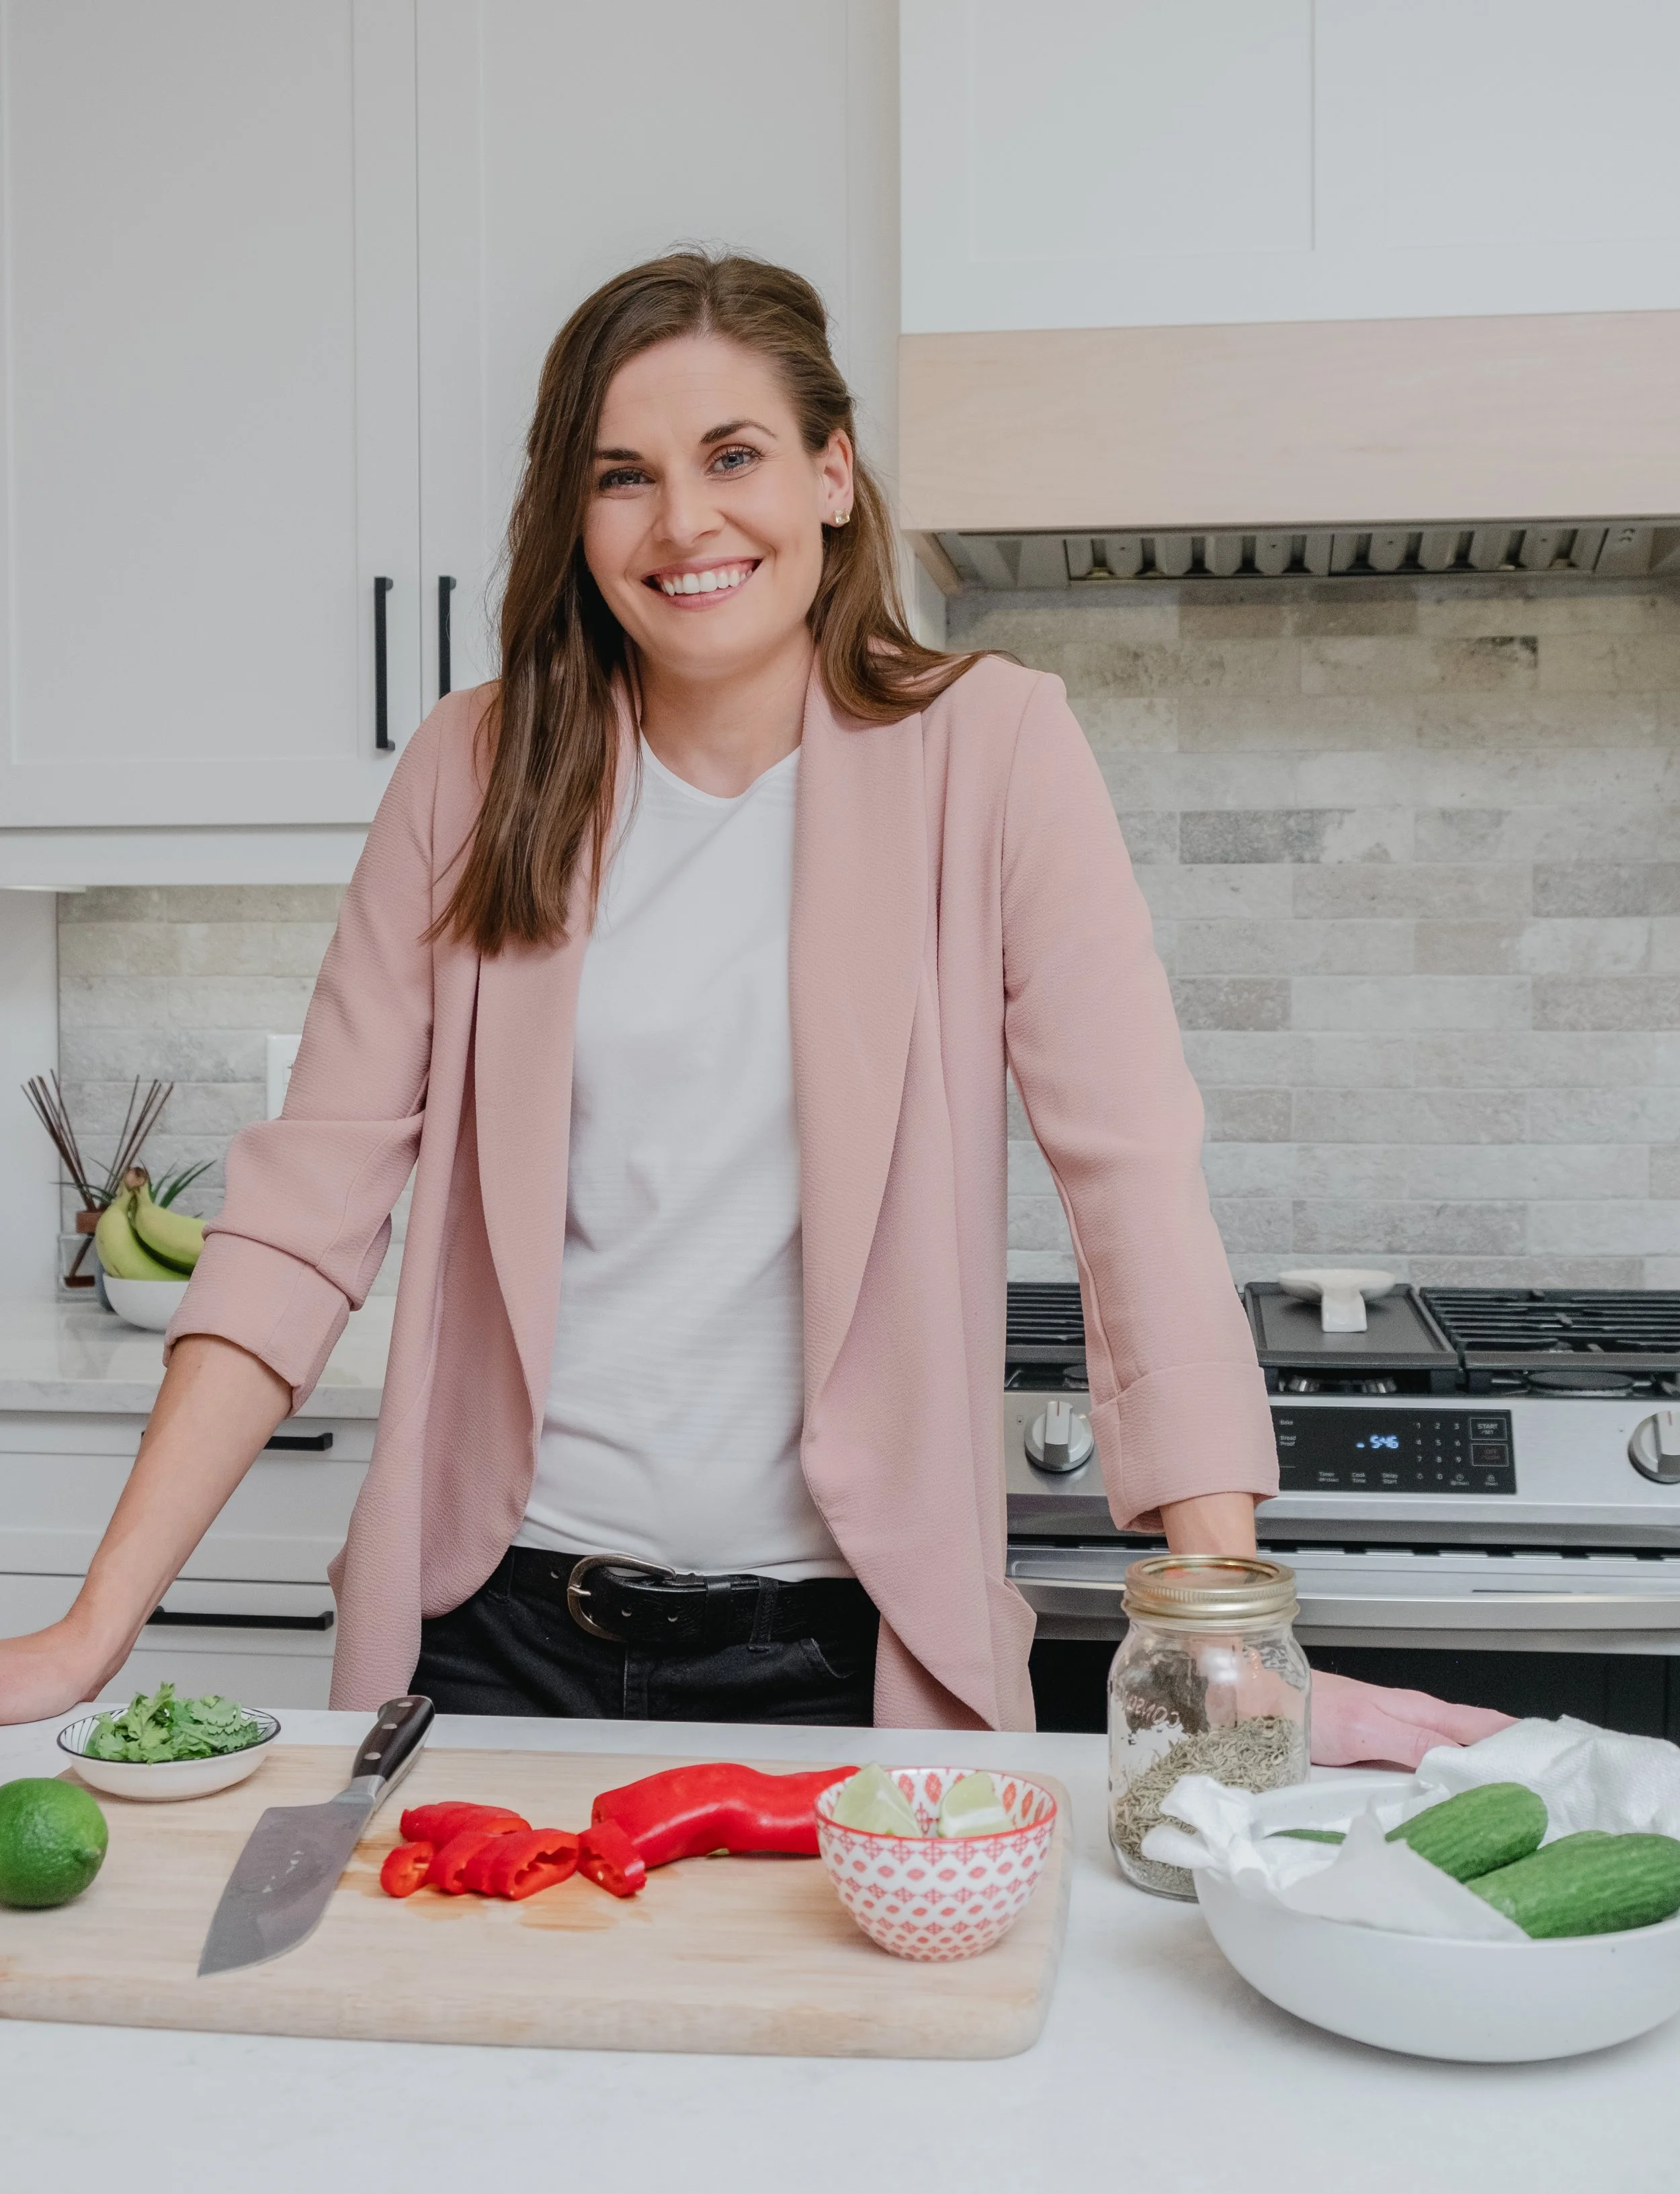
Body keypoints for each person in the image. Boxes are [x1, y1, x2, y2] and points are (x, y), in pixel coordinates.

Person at [0, 252, 1507, 1765]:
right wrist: (96, 1621)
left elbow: (1130, 1189)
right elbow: (297, 1217)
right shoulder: (470, 772)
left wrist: (1225, 1633)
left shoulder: (989, 751)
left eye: (733, 456)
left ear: (831, 474)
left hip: (843, 1654)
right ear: (571, 517)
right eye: (621, 476)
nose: (683, 523)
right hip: (488, 1640)